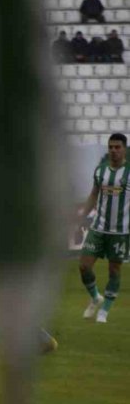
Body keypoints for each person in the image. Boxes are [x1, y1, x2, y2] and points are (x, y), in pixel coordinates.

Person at [77, 133, 129, 324]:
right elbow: (93, 195)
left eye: (117, 147)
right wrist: (82, 219)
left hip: (120, 232)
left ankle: (104, 311)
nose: (113, 151)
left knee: (114, 271)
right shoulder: (100, 171)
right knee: (83, 266)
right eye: (111, 147)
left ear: (124, 149)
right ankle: (95, 297)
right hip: (98, 228)